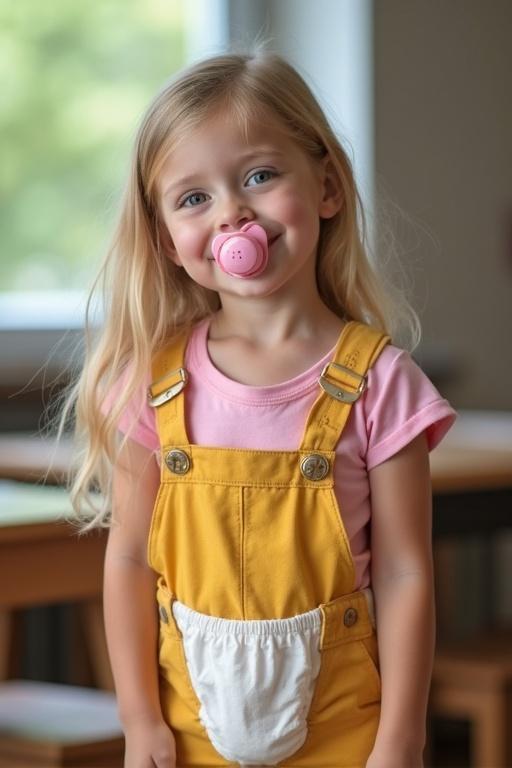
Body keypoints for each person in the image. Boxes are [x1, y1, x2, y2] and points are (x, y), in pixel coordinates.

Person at [64, 51, 456, 768]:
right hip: (188, 737)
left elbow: (405, 572)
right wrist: (139, 720)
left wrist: (401, 737)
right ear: (166, 241)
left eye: (259, 176)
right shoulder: (151, 386)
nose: (232, 213)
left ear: (328, 187)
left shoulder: (381, 383)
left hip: (347, 735)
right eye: (193, 198)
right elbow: (128, 562)